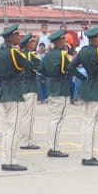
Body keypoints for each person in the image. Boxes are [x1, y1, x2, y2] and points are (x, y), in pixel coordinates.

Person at [67, 26, 98, 166]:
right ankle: (88, 156)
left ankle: (86, 153)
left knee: (86, 123)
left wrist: (82, 77)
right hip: (97, 88)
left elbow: (70, 67)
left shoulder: (83, 51)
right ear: (95, 39)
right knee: (92, 124)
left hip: (87, 86)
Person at [0, 24, 32, 171]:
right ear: (10, 38)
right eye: (17, 35)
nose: (19, 38)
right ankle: (10, 161)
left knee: (8, 128)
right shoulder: (14, 52)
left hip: (4, 89)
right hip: (14, 91)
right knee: (14, 129)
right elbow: (29, 65)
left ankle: (6, 159)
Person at [40, 28, 70, 158]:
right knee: (57, 120)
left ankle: (52, 145)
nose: (65, 42)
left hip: (52, 86)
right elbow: (70, 68)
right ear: (59, 41)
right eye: (63, 40)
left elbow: (41, 69)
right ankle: (53, 148)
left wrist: (51, 74)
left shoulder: (48, 54)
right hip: (61, 87)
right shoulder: (62, 54)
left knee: (53, 119)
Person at [18, 34, 40, 150]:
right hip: (30, 86)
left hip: (21, 86)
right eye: (32, 42)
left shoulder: (20, 54)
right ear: (28, 44)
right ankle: (25, 141)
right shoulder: (32, 55)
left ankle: (24, 139)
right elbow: (40, 67)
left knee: (24, 115)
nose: (34, 44)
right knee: (29, 116)